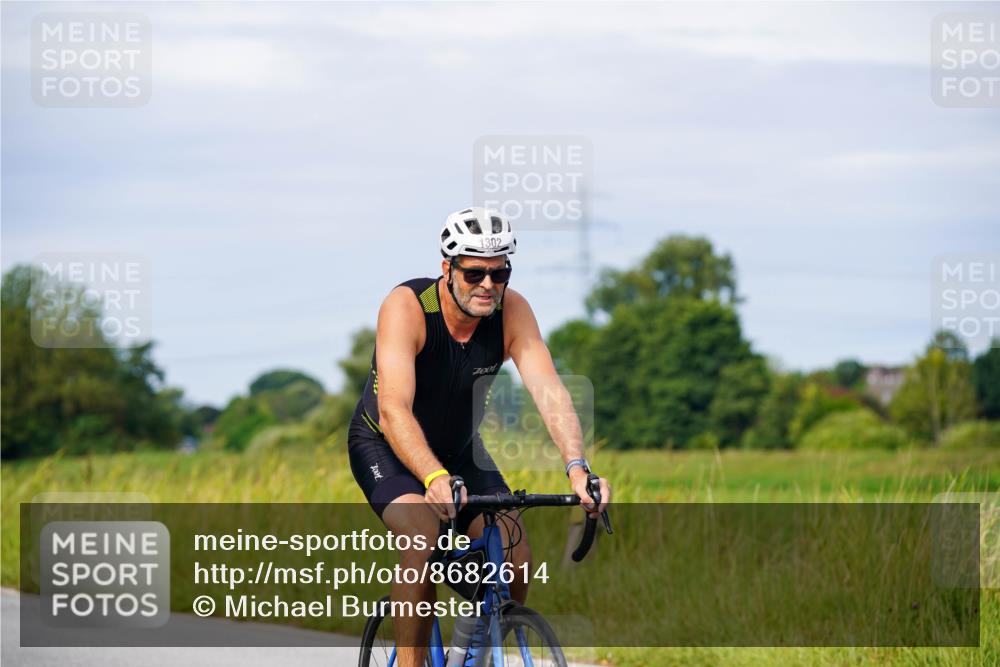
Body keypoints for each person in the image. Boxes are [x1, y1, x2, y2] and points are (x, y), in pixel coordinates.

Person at [347, 206, 611, 667]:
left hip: (461, 450)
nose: (488, 285)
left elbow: (549, 391)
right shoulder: (407, 307)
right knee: (422, 535)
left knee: (515, 555)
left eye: (499, 272)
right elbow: (393, 410)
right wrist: (431, 476)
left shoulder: (512, 311)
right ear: (447, 269)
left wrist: (577, 467)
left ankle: (474, 651)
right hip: (386, 446)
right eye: (474, 273)